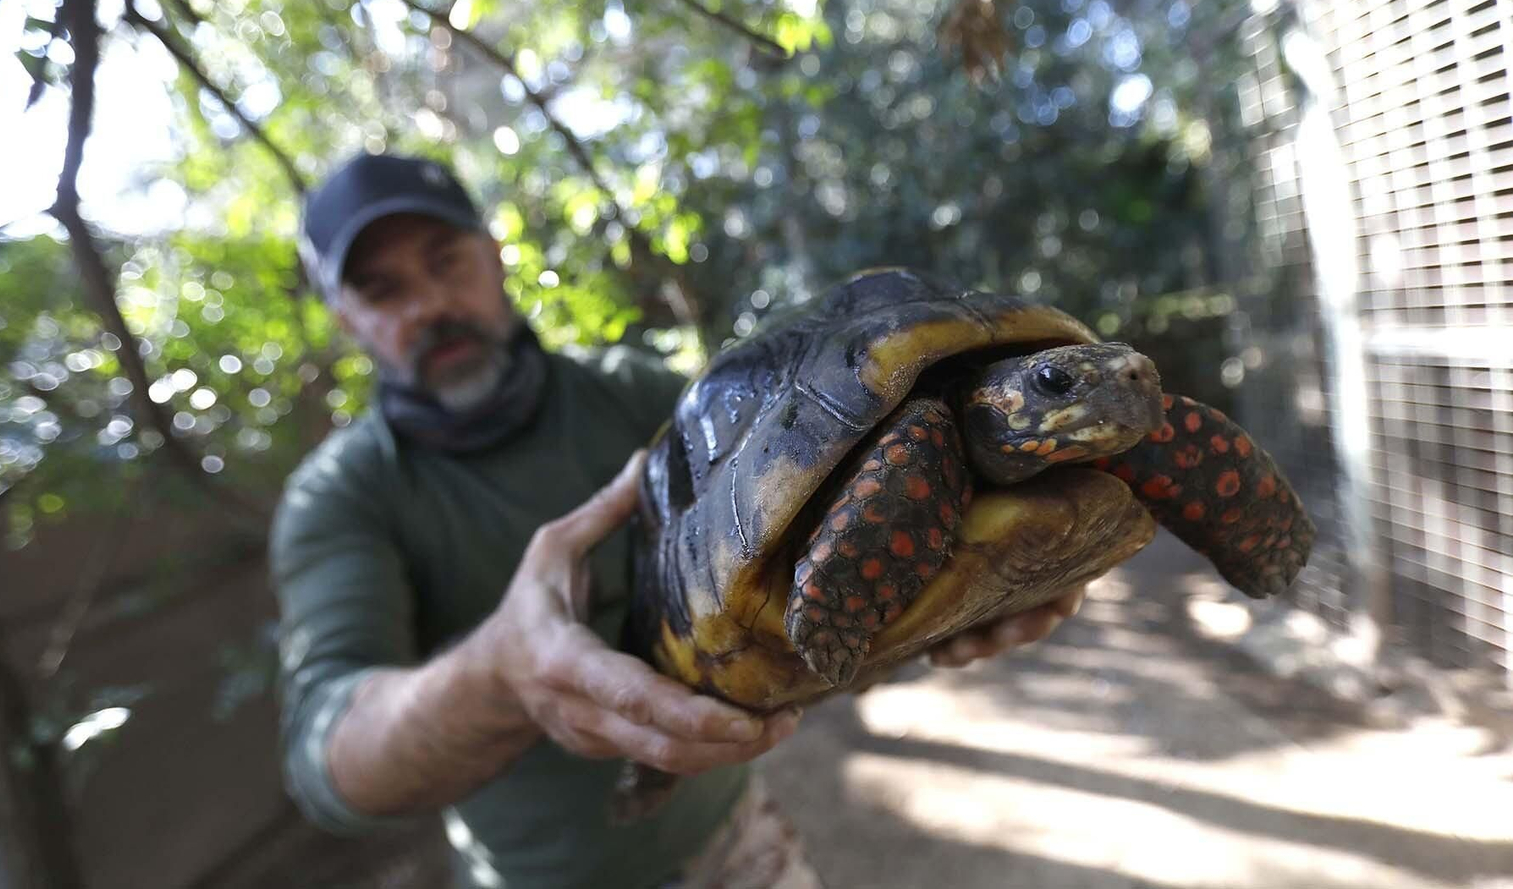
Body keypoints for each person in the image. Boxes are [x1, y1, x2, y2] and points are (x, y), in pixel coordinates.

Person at [271, 153, 1087, 889]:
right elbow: (331, 765)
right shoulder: (341, 497)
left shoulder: (641, 397)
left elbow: (840, 501)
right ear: (344, 316)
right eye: (383, 290)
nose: (430, 304)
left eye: (446, 261)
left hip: (737, 845)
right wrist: (499, 671)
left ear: (493, 256)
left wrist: (956, 572)